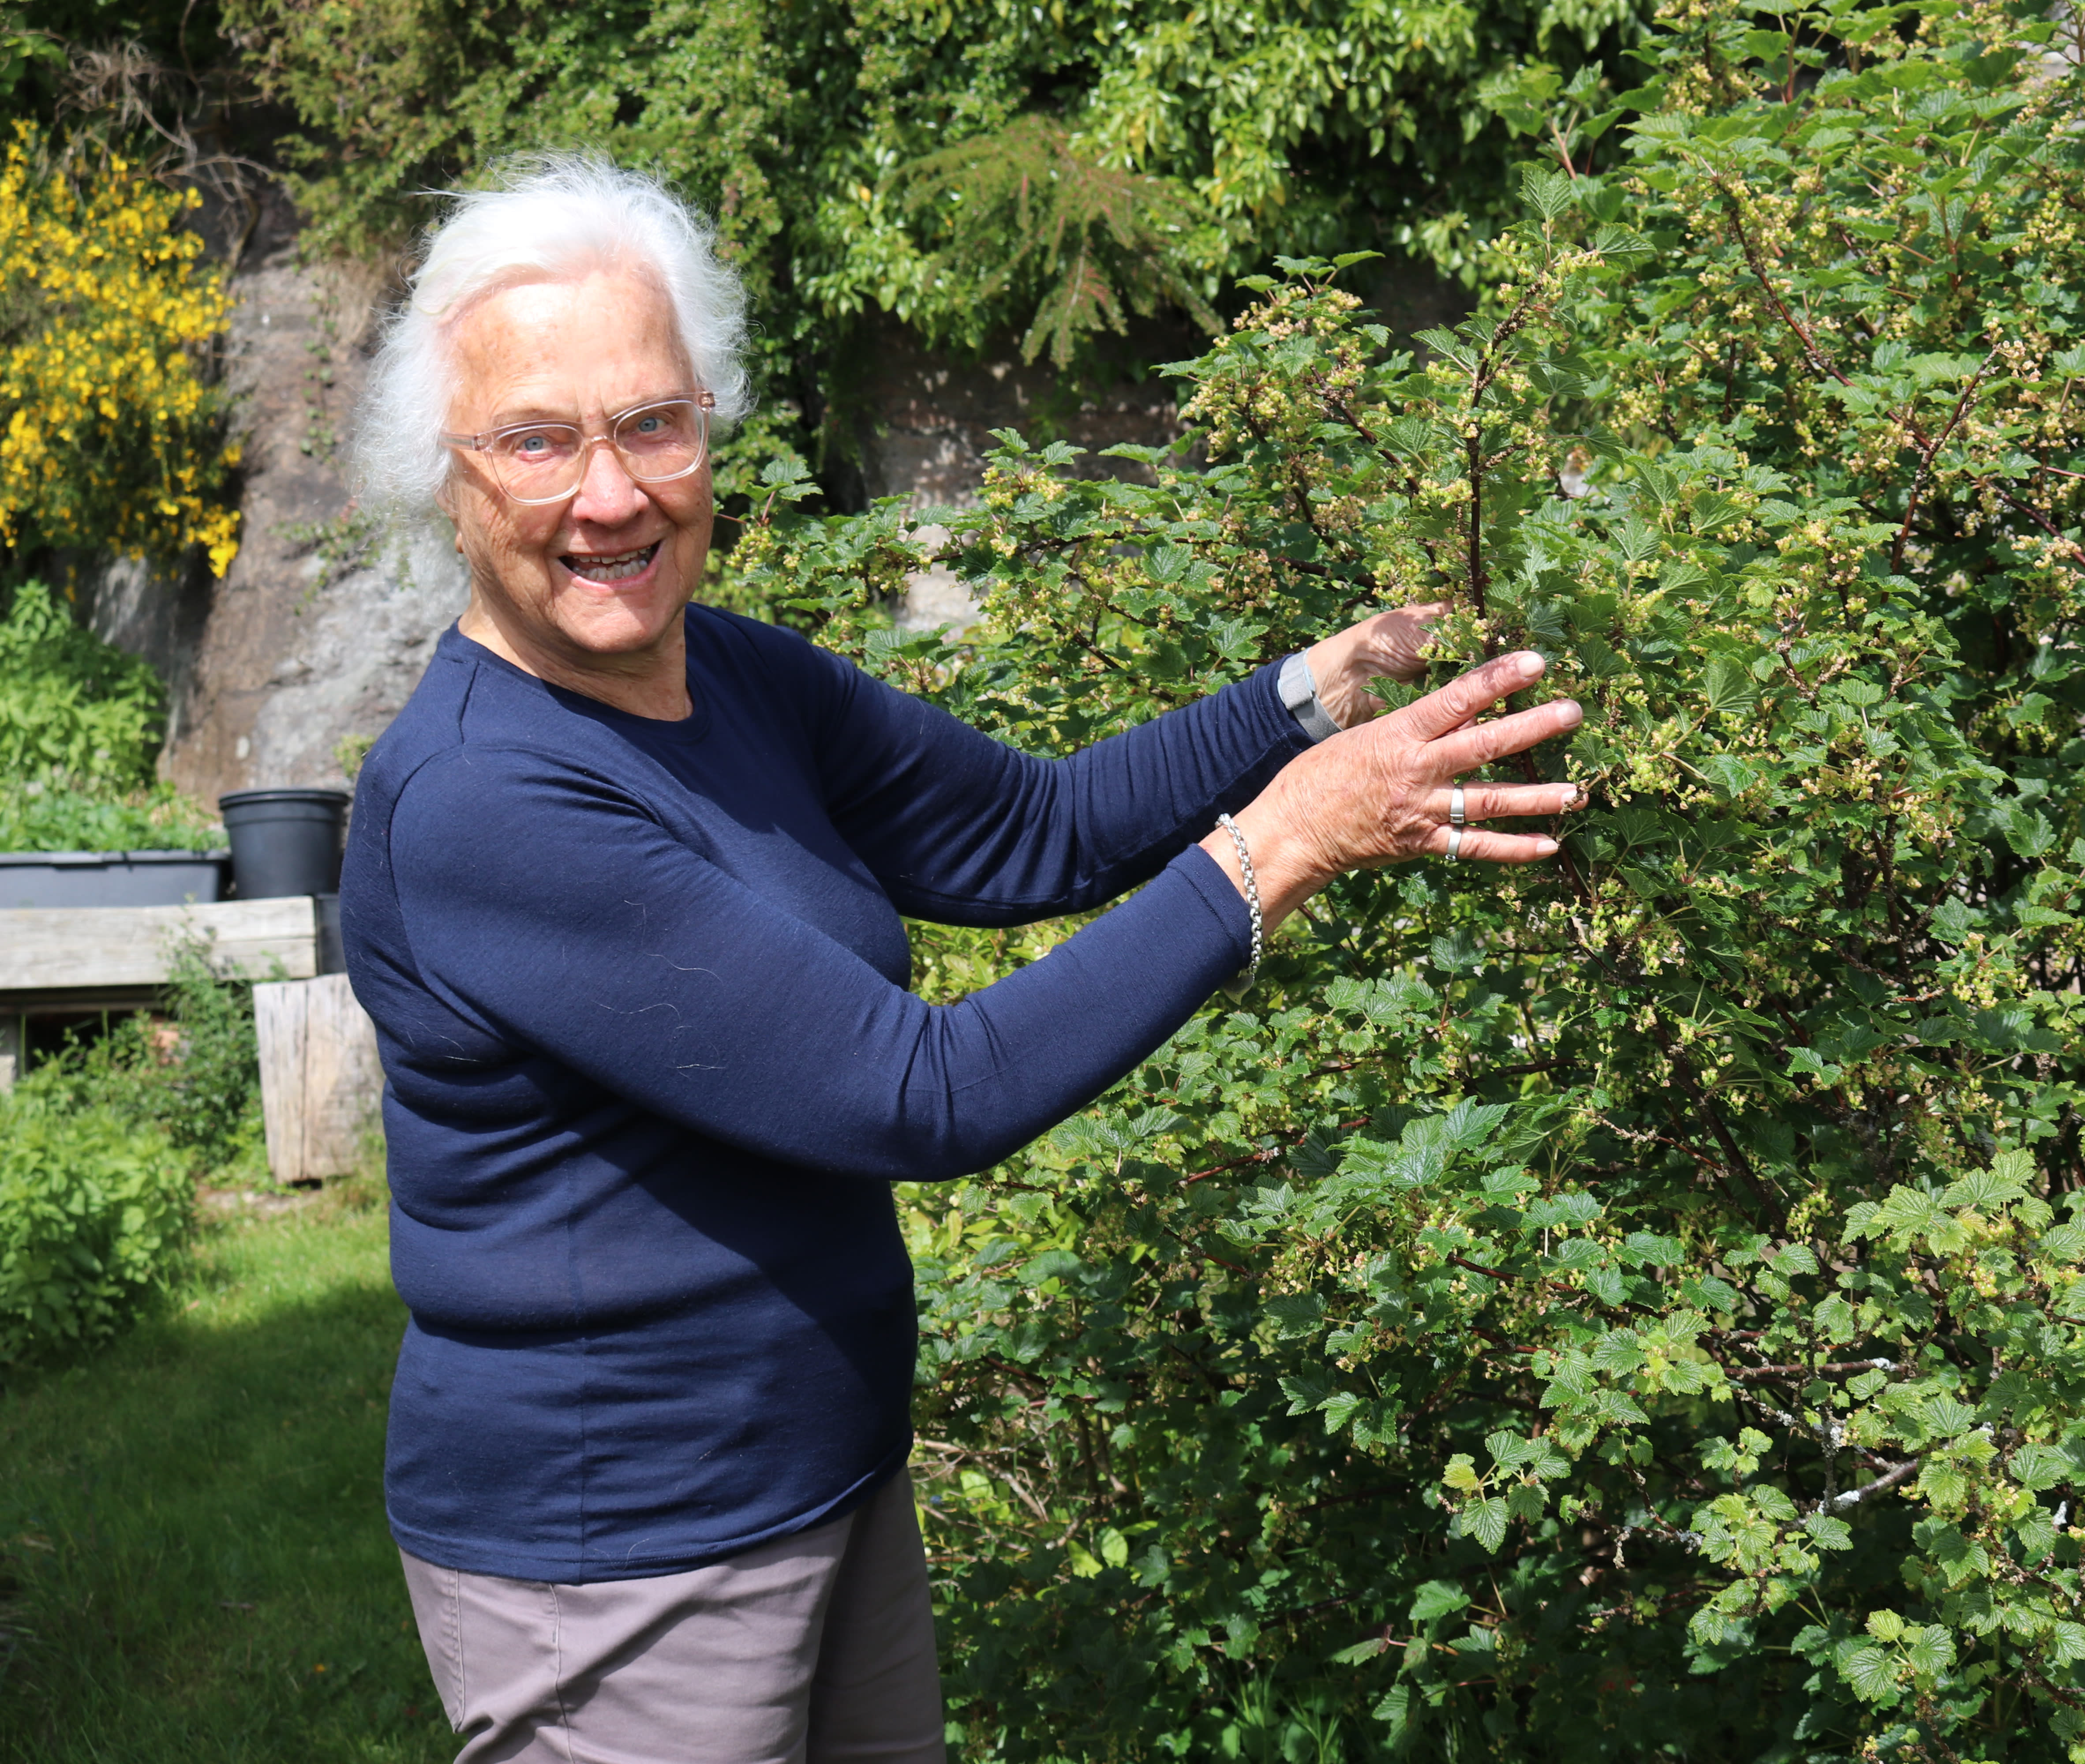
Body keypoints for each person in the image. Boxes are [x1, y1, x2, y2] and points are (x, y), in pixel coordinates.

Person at [337, 156, 1584, 1764]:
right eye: (534, 441)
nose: (611, 493)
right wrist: (1290, 841)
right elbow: (925, 1094)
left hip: (825, 1472)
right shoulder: (484, 803)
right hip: (623, 1551)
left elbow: (1033, 831)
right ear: (445, 484)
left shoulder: (733, 676)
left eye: (652, 422)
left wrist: (1321, 691)